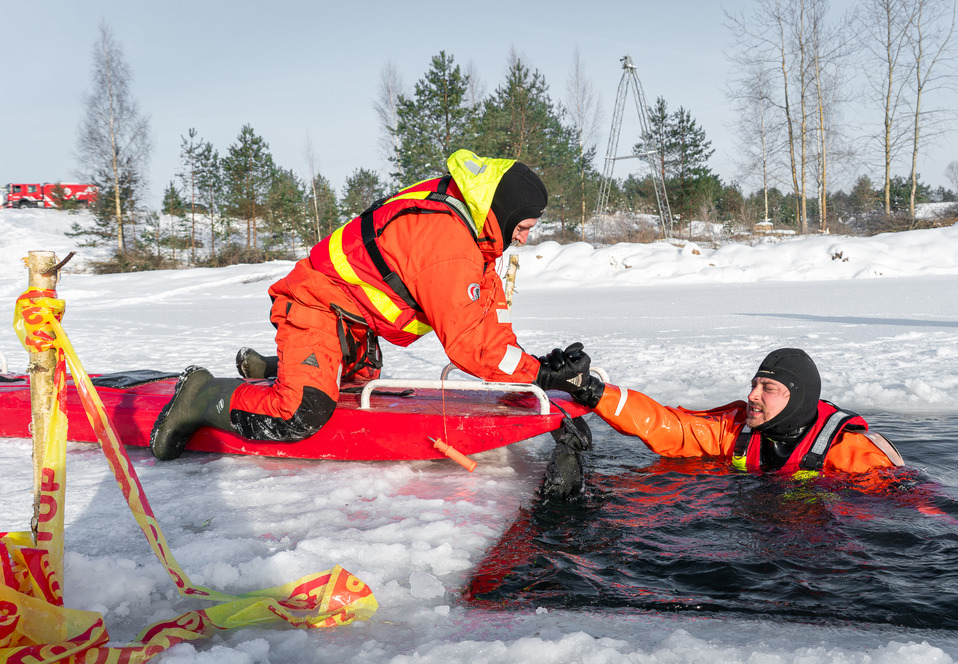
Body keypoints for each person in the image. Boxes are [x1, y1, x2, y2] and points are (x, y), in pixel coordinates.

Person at [150, 149, 590, 460]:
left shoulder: (476, 232)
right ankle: (201, 395)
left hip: (352, 319)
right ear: (503, 211)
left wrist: (533, 365)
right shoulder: (449, 244)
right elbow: (470, 344)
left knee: (362, 377)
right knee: (303, 412)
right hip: (315, 304)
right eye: (525, 226)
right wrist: (540, 376)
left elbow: (487, 321)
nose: (524, 237)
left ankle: (291, 364)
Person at [561, 348, 903, 475]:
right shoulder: (737, 432)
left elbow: (904, 510)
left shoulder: (851, 451)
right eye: (754, 384)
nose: (752, 395)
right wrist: (593, 392)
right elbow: (668, 427)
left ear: (797, 399)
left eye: (767, 389)